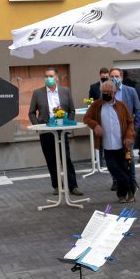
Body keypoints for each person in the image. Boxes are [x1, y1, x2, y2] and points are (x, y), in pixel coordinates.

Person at [28, 67, 82, 196]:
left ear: (56, 77)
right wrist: (38, 128)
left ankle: (73, 186)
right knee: (51, 160)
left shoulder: (65, 91)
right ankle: (57, 186)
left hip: (61, 131)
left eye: (51, 76)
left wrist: (67, 125)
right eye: (46, 76)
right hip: (46, 132)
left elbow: (71, 111)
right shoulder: (37, 93)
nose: (48, 79)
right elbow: (31, 112)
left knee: (66, 159)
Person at [83, 81, 136, 203]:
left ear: (114, 92)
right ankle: (131, 186)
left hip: (121, 145)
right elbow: (87, 118)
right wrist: (95, 126)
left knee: (123, 169)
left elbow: (130, 122)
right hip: (107, 145)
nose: (106, 94)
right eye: (104, 92)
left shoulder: (122, 106)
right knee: (113, 168)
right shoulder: (96, 105)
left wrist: (129, 136)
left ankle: (122, 195)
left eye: (108, 92)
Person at [109, 67, 140, 194]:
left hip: (127, 131)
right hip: (112, 132)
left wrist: (133, 130)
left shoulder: (131, 91)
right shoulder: (107, 92)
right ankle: (116, 181)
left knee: (129, 157)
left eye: (116, 76)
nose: (114, 78)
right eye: (112, 76)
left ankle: (132, 180)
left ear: (121, 77)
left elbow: (138, 111)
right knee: (114, 158)